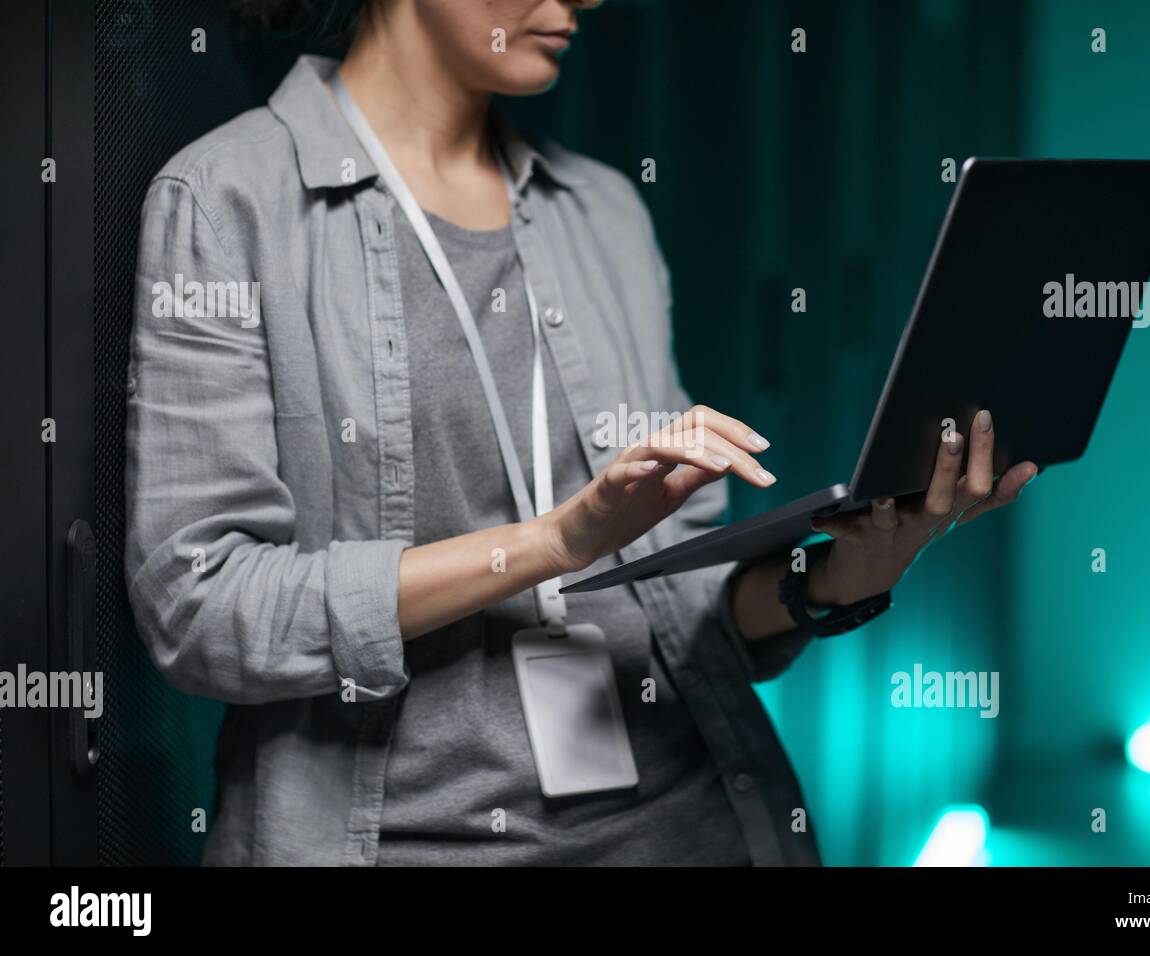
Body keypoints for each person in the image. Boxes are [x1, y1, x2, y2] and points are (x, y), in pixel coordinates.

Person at [125, 0, 1037, 865]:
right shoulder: (226, 201)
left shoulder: (602, 212)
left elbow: (685, 596)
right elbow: (201, 607)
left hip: (696, 820)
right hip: (405, 840)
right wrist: (551, 544)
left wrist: (847, 574)